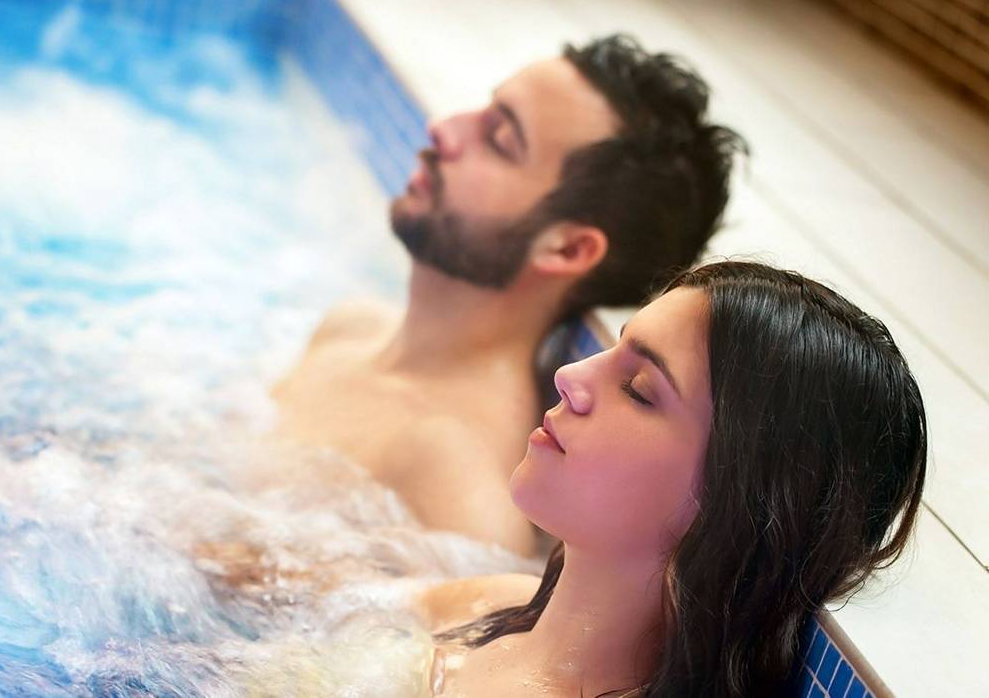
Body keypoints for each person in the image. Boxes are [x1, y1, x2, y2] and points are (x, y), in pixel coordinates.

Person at [273, 35, 747, 555]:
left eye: (498, 138)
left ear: (566, 248)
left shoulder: (460, 483)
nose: (443, 130)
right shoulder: (349, 325)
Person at [416, 261, 928, 696]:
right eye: (611, 352)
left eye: (638, 388)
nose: (570, 377)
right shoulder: (484, 604)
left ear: (734, 504)